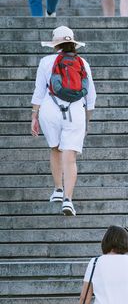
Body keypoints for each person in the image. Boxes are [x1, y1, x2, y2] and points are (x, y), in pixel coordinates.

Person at [31, 26, 96, 216]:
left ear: (55, 44)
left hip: (50, 109)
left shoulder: (45, 62)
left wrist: (34, 115)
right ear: (73, 43)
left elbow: (39, 91)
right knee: (70, 156)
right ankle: (68, 200)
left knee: (55, 148)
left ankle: (58, 190)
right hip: (75, 110)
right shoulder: (82, 62)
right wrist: (87, 121)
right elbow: (91, 97)